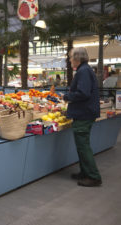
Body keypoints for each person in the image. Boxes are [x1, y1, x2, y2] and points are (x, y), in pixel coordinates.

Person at [63, 47, 102, 187]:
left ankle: (93, 176)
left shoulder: (83, 71)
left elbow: (83, 93)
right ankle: (85, 172)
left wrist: (67, 97)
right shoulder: (84, 69)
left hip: (84, 113)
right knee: (81, 146)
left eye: (70, 57)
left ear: (77, 58)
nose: (69, 60)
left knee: (83, 146)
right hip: (85, 112)